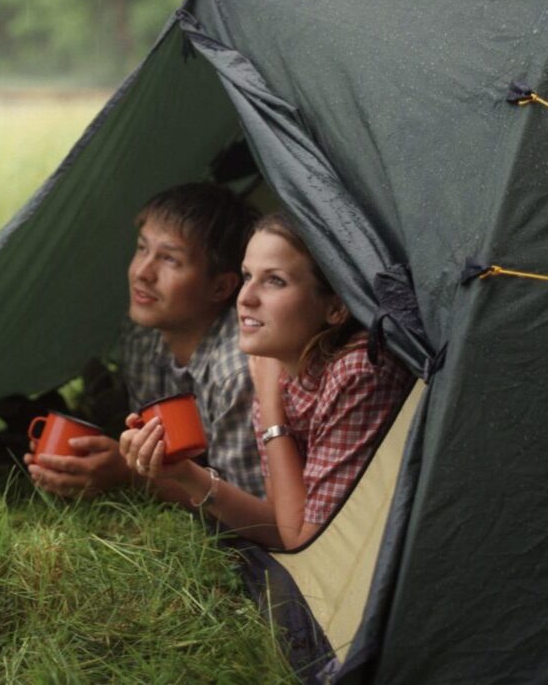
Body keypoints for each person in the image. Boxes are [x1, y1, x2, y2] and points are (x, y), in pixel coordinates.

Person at [120, 212, 414, 549]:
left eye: (275, 280)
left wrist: (272, 412)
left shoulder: (359, 373)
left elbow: (301, 540)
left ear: (336, 307)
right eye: (248, 276)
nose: (245, 298)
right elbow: (277, 523)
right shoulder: (280, 364)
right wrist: (184, 474)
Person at [25, 182, 266, 504]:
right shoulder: (142, 334)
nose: (142, 272)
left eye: (169, 260)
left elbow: (249, 505)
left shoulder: (237, 371)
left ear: (221, 287)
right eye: (142, 248)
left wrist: (131, 477)